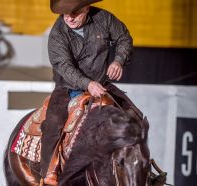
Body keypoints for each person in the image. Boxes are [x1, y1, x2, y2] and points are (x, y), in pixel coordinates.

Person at [40, 0, 143, 185]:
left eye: (75, 12)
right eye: (65, 13)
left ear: (86, 8)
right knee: (53, 124)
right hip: (67, 87)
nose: (69, 17)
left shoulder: (103, 18)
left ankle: (139, 166)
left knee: (135, 116)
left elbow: (123, 38)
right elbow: (64, 66)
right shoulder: (57, 33)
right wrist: (87, 84)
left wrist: (118, 60)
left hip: (102, 83)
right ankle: (49, 173)